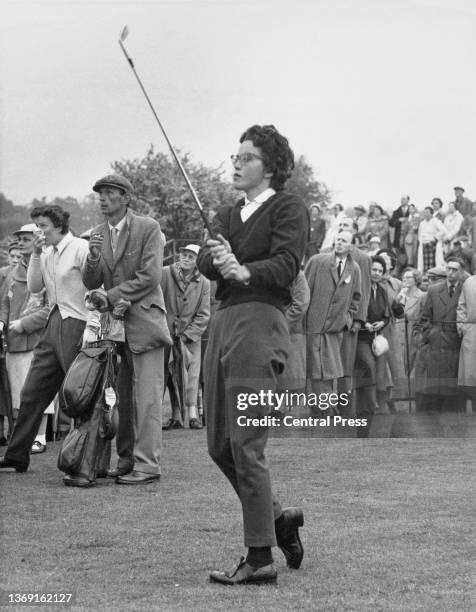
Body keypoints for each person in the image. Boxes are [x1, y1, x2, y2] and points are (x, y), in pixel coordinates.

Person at [197, 124, 308, 585]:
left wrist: (242, 267)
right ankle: (278, 520)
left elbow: (286, 263)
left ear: (272, 166)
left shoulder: (289, 207)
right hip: (223, 323)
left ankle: (260, 556)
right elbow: (207, 261)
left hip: (261, 323)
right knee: (219, 445)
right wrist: (216, 257)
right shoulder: (225, 213)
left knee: (246, 442)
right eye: (235, 156)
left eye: (247, 157)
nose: (237, 163)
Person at [83, 174, 171, 485]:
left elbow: (150, 277)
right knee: (119, 398)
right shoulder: (96, 234)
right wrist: (92, 258)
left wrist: (111, 296)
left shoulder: (148, 227)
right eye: (100, 194)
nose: (102, 198)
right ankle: (125, 461)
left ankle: (147, 466)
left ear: (125, 198)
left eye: (109, 193)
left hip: (146, 325)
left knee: (146, 399)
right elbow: (91, 281)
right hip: (115, 328)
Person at [0, 205, 92, 474]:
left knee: (80, 394)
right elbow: (34, 287)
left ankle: (86, 459)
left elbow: (97, 288)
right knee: (32, 392)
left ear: (59, 225)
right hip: (53, 322)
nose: (39, 231)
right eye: (36, 226)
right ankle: (17, 455)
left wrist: (93, 327)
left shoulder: (80, 248)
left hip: (78, 323)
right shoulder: (47, 252)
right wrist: (37, 253)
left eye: (43, 226)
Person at [0, 224, 54, 454]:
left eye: (26, 238)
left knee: (38, 390)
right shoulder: (12, 273)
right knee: (17, 394)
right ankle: (21, 438)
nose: (21, 242)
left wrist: (25, 324)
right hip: (13, 341)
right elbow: (4, 301)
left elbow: (51, 307)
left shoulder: (46, 267)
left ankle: (40, 437)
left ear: (37, 241)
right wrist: (2, 321)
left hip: (37, 339)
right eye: (19, 239)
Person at [304, 230, 361, 403]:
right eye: (338, 239)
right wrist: (304, 321)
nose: (339, 243)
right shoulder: (317, 261)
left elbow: (356, 298)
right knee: (316, 371)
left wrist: (346, 320)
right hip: (313, 326)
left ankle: (326, 409)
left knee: (330, 371)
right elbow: (303, 291)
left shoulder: (354, 268)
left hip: (335, 329)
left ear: (351, 246)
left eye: (344, 241)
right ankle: (321, 411)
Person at [161, 243, 210, 430]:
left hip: (190, 338)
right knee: (168, 376)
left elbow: (204, 314)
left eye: (191, 256)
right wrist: (163, 329)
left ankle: (192, 415)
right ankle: (176, 416)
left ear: (198, 261)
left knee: (192, 376)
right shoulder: (165, 273)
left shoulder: (204, 282)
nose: (186, 258)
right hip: (165, 335)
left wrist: (188, 335)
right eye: (184, 255)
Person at [416, 257, 466, 414]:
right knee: (436, 388)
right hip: (437, 344)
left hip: (457, 344)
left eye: (454, 270)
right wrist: (430, 334)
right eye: (448, 269)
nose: (450, 273)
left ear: (462, 272)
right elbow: (425, 317)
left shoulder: (466, 289)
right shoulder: (434, 289)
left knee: (454, 391)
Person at [353, 256, 392, 437]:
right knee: (368, 369)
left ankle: (367, 413)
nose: (376, 273)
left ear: (383, 274)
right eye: (373, 269)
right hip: (360, 338)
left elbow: (387, 315)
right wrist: (364, 323)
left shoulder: (383, 291)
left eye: (379, 270)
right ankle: (366, 410)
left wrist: (381, 324)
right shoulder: (360, 288)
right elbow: (352, 310)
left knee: (373, 377)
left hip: (376, 340)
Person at [417, 206, 446, 273]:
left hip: (432, 245)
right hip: (423, 245)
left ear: (431, 213)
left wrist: (435, 238)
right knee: (424, 264)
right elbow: (419, 235)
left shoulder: (436, 221)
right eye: (424, 212)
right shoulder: (422, 223)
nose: (425, 214)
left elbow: (444, 231)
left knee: (433, 265)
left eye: (427, 212)